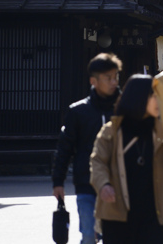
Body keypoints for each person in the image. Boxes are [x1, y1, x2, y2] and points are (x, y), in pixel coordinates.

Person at [89, 74, 163, 244]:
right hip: (118, 214)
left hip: (154, 215)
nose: (159, 101)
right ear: (139, 98)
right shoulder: (112, 131)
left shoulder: (161, 132)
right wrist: (103, 185)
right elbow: (97, 161)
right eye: (154, 96)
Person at [52, 53, 122, 244]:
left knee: (116, 236)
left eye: (115, 77)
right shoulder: (78, 111)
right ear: (94, 80)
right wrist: (58, 181)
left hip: (120, 183)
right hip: (86, 182)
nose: (113, 82)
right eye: (108, 78)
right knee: (89, 235)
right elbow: (65, 147)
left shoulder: (124, 109)